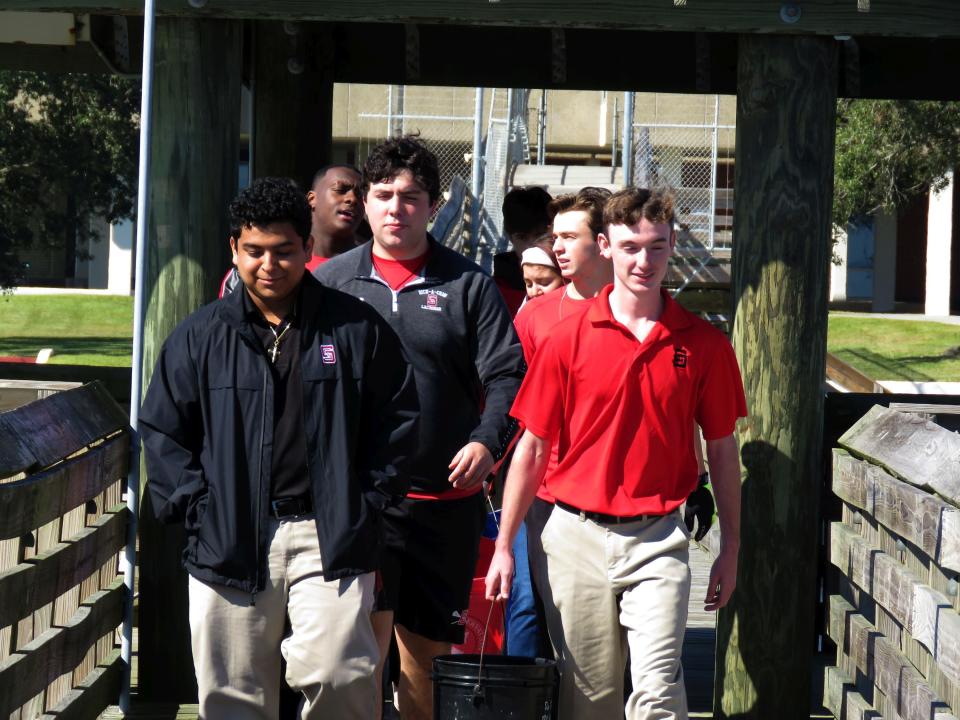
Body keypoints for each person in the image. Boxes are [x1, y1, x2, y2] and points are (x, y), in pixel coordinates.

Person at [140, 177, 418, 720]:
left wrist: (369, 506)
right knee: (232, 696)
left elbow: (399, 424)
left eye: (284, 251)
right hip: (229, 536)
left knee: (343, 676)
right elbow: (164, 434)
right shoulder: (199, 338)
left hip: (331, 534)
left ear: (307, 249)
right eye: (254, 251)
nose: (269, 265)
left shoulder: (357, 329)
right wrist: (199, 510)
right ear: (234, 251)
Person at [486, 187, 746, 719]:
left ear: (673, 245)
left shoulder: (705, 346)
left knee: (656, 695)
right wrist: (505, 545)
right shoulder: (564, 337)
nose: (643, 261)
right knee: (590, 702)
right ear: (606, 246)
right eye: (630, 247)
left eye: (655, 247)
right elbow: (532, 448)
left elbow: (721, 451)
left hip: (659, 536)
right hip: (572, 537)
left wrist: (732, 547)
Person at [315, 135, 525, 720]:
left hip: (443, 506)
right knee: (357, 665)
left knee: (424, 674)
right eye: (383, 195)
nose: (395, 208)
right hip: (359, 506)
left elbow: (509, 376)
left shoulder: (469, 285)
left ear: (432, 206)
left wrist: (488, 439)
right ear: (366, 202)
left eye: (411, 197)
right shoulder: (331, 285)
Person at [218, 164, 364, 297]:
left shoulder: (371, 268)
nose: (352, 199)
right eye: (340, 190)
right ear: (312, 199)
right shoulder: (240, 277)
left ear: (307, 248)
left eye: (360, 194)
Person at [495, 186, 553, 316]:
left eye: (539, 235)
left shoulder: (572, 278)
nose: (532, 244)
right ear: (510, 237)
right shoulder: (496, 290)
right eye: (522, 237)